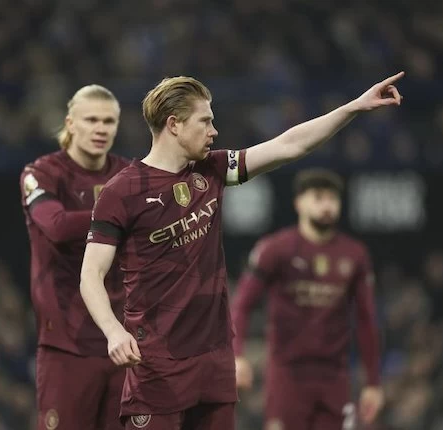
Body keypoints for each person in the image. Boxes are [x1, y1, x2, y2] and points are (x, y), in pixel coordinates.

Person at [80, 72, 403, 430]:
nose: (214, 131)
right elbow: (91, 274)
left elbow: (290, 145)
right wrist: (113, 331)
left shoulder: (213, 170)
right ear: (174, 125)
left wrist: (353, 107)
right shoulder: (122, 192)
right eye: (205, 121)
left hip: (215, 363)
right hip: (157, 364)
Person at [231, 169, 383, 430]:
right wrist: (237, 355)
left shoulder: (355, 255)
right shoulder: (275, 249)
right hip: (287, 374)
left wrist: (373, 382)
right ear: (299, 202)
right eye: (318, 197)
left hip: (335, 375)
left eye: (333, 199)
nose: (327, 206)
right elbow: (241, 305)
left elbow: (366, 319)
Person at [20, 85, 130, 430]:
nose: (101, 129)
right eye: (91, 120)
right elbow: (56, 226)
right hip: (67, 345)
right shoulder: (41, 173)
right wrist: (121, 216)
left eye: (109, 121)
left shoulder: (129, 176)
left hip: (123, 341)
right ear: (70, 123)